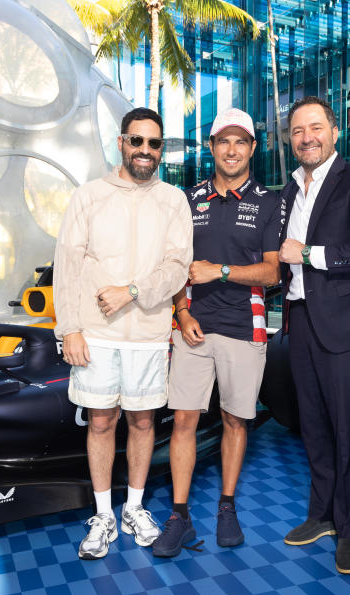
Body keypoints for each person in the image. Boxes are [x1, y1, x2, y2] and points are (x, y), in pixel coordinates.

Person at [53, 107, 192, 560]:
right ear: (121, 142)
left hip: (149, 333)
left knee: (144, 421)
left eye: (154, 144)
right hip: (95, 334)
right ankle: (103, 515)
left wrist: (132, 292)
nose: (145, 151)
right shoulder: (89, 196)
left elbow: (177, 269)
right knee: (99, 421)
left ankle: (133, 507)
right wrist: (69, 328)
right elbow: (67, 267)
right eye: (137, 141)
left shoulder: (174, 200)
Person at [152, 108, 282, 557]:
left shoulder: (268, 201)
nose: (232, 149)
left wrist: (220, 271)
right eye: (223, 141)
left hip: (246, 329)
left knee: (234, 419)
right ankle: (180, 515)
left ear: (252, 148)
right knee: (184, 421)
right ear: (211, 148)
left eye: (240, 141)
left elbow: (271, 273)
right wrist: (181, 312)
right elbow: (175, 269)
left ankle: (227, 506)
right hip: (193, 330)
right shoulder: (188, 200)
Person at [277, 96, 350, 574]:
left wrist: (306, 254)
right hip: (301, 319)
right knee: (315, 427)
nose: (307, 137)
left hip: (347, 324)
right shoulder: (289, 191)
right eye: (298, 131)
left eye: (315, 127)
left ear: (334, 131)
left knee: (349, 430)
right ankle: (322, 515)